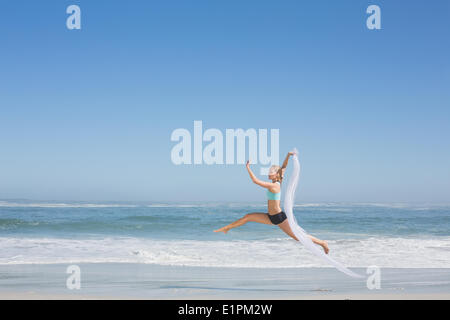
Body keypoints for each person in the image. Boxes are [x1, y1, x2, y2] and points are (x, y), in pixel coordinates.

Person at [214, 152, 329, 254]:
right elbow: (283, 167)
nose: (268, 173)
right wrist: (288, 156)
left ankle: (322, 242)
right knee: (248, 217)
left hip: (279, 217)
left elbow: (255, 181)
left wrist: (248, 167)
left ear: (276, 174)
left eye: (271, 171)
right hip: (270, 216)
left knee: (297, 237)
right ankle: (227, 228)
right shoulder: (278, 181)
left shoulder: (274, 185)